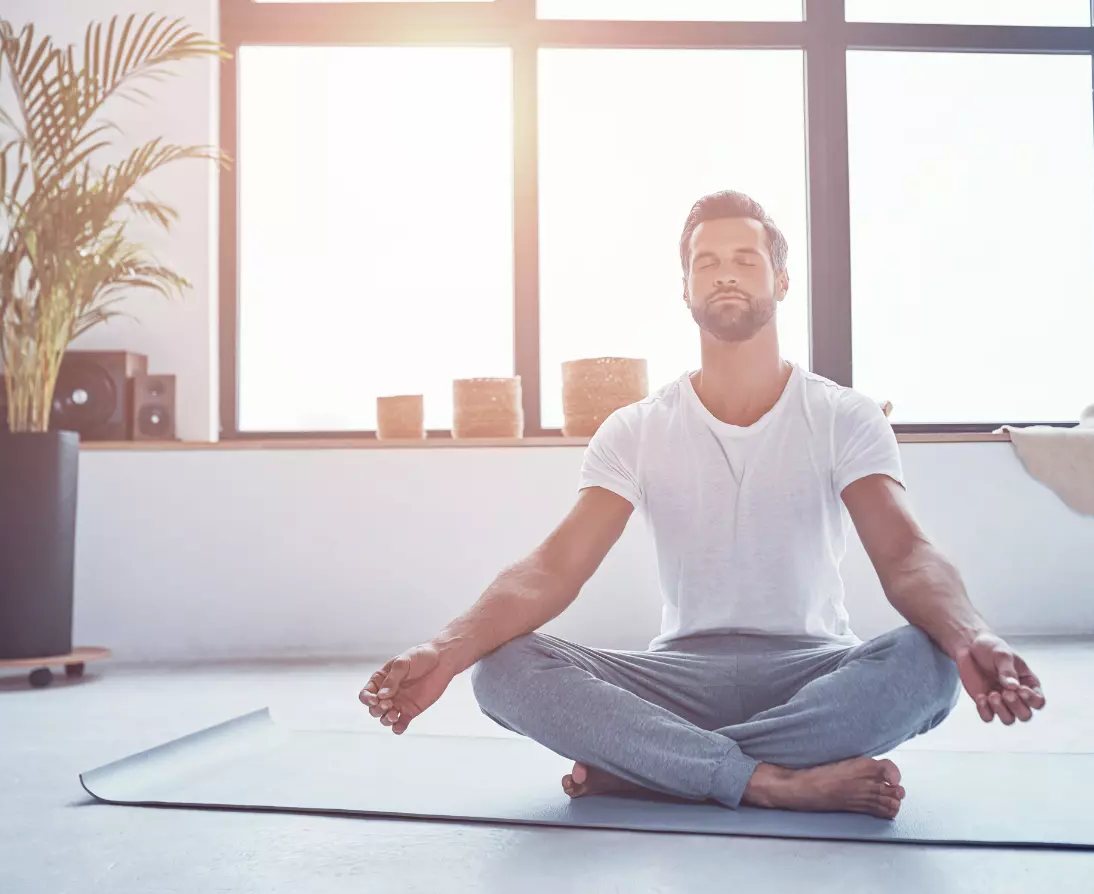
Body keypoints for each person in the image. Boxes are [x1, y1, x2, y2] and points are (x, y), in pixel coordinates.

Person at [360, 190, 1047, 819]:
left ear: (779, 281)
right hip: (677, 676)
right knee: (502, 671)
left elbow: (906, 555)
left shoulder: (845, 415)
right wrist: (445, 650)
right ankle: (769, 781)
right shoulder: (636, 428)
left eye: (746, 259)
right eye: (707, 261)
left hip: (813, 671)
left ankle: (653, 768)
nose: (725, 273)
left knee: (928, 664)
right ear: (685, 288)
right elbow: (551, 569)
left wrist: (969, 634)